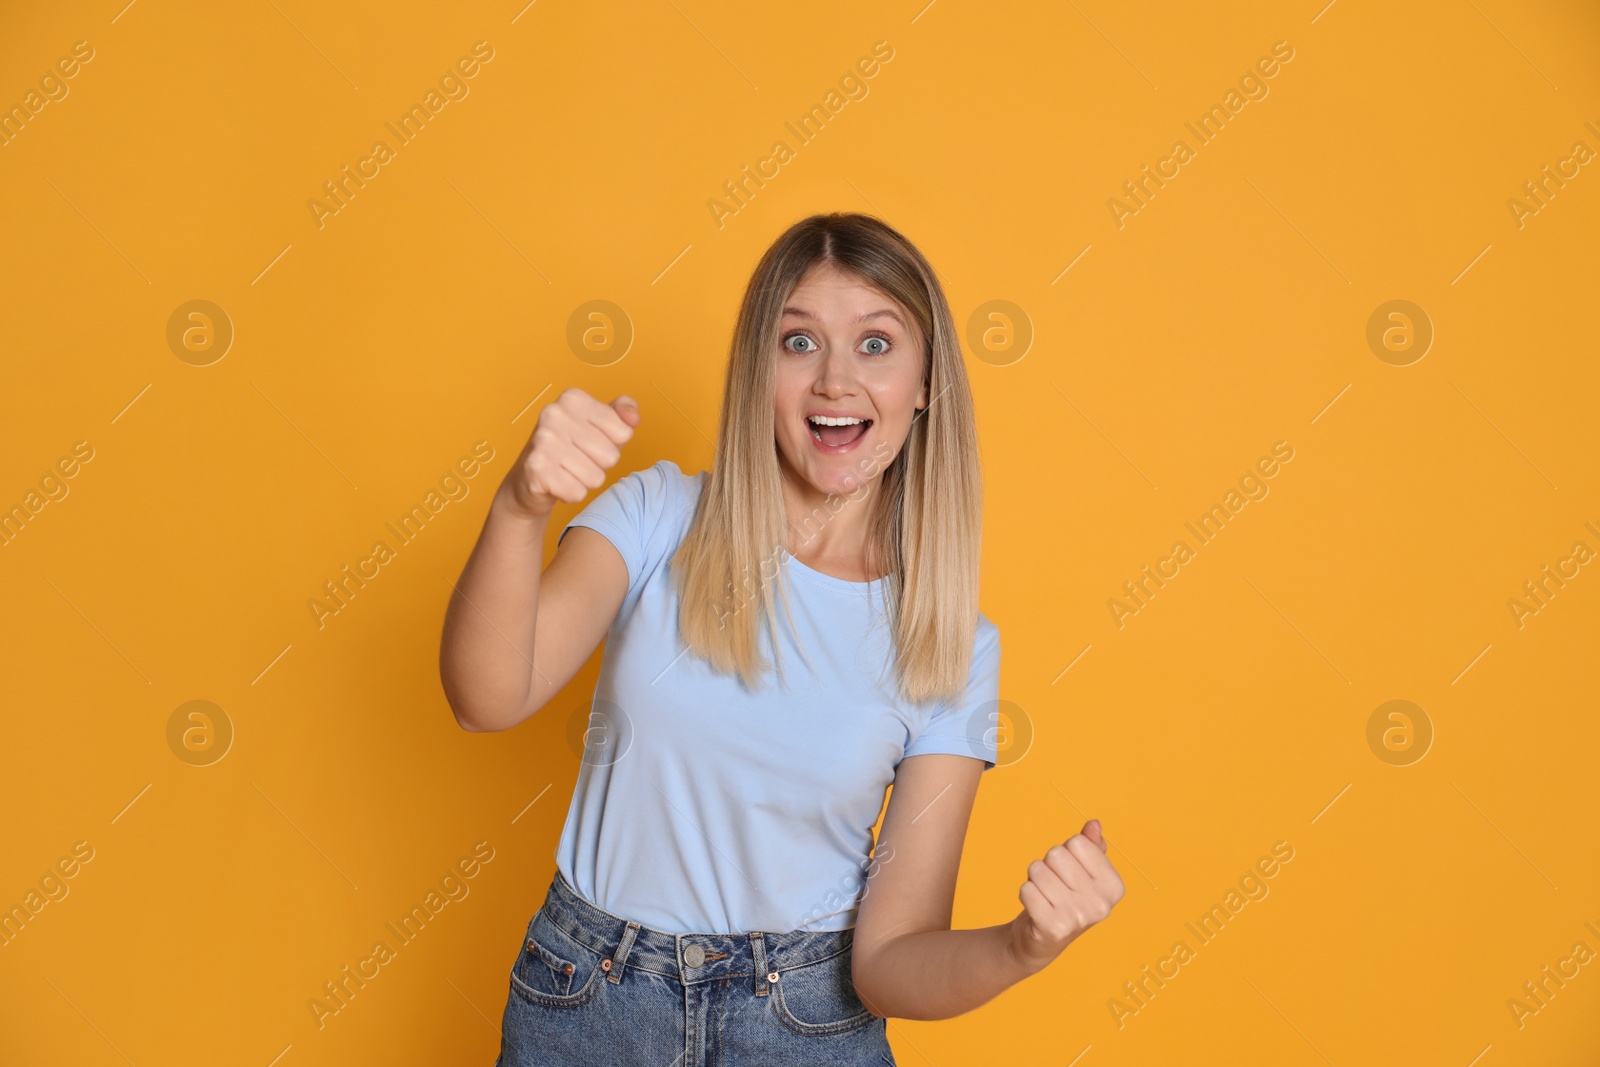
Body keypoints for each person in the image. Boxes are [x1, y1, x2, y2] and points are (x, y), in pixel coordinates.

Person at [439, 212, 1124, 1065]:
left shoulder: (949, 641)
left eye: (876, 344)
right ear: (757, 371)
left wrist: (1025, 943)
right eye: (799, 343)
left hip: (804, 1025)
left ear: (924, 383)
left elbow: (889, 964)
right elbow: (487, 696)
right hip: (589, 1004)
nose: (836, 380)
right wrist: (519, 507)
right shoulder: (657, 516)